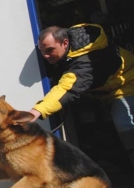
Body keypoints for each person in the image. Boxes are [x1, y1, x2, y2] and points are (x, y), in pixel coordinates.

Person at [29, 23, 134, 167]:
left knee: (122, 120)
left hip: (127, 85)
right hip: (104, 93)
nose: (45, 56)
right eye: (42, 51)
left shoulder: (87, 62)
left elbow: (67, 88)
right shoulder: (71, 46)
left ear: (65, 43)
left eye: (49, 50)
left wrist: (36, 111)